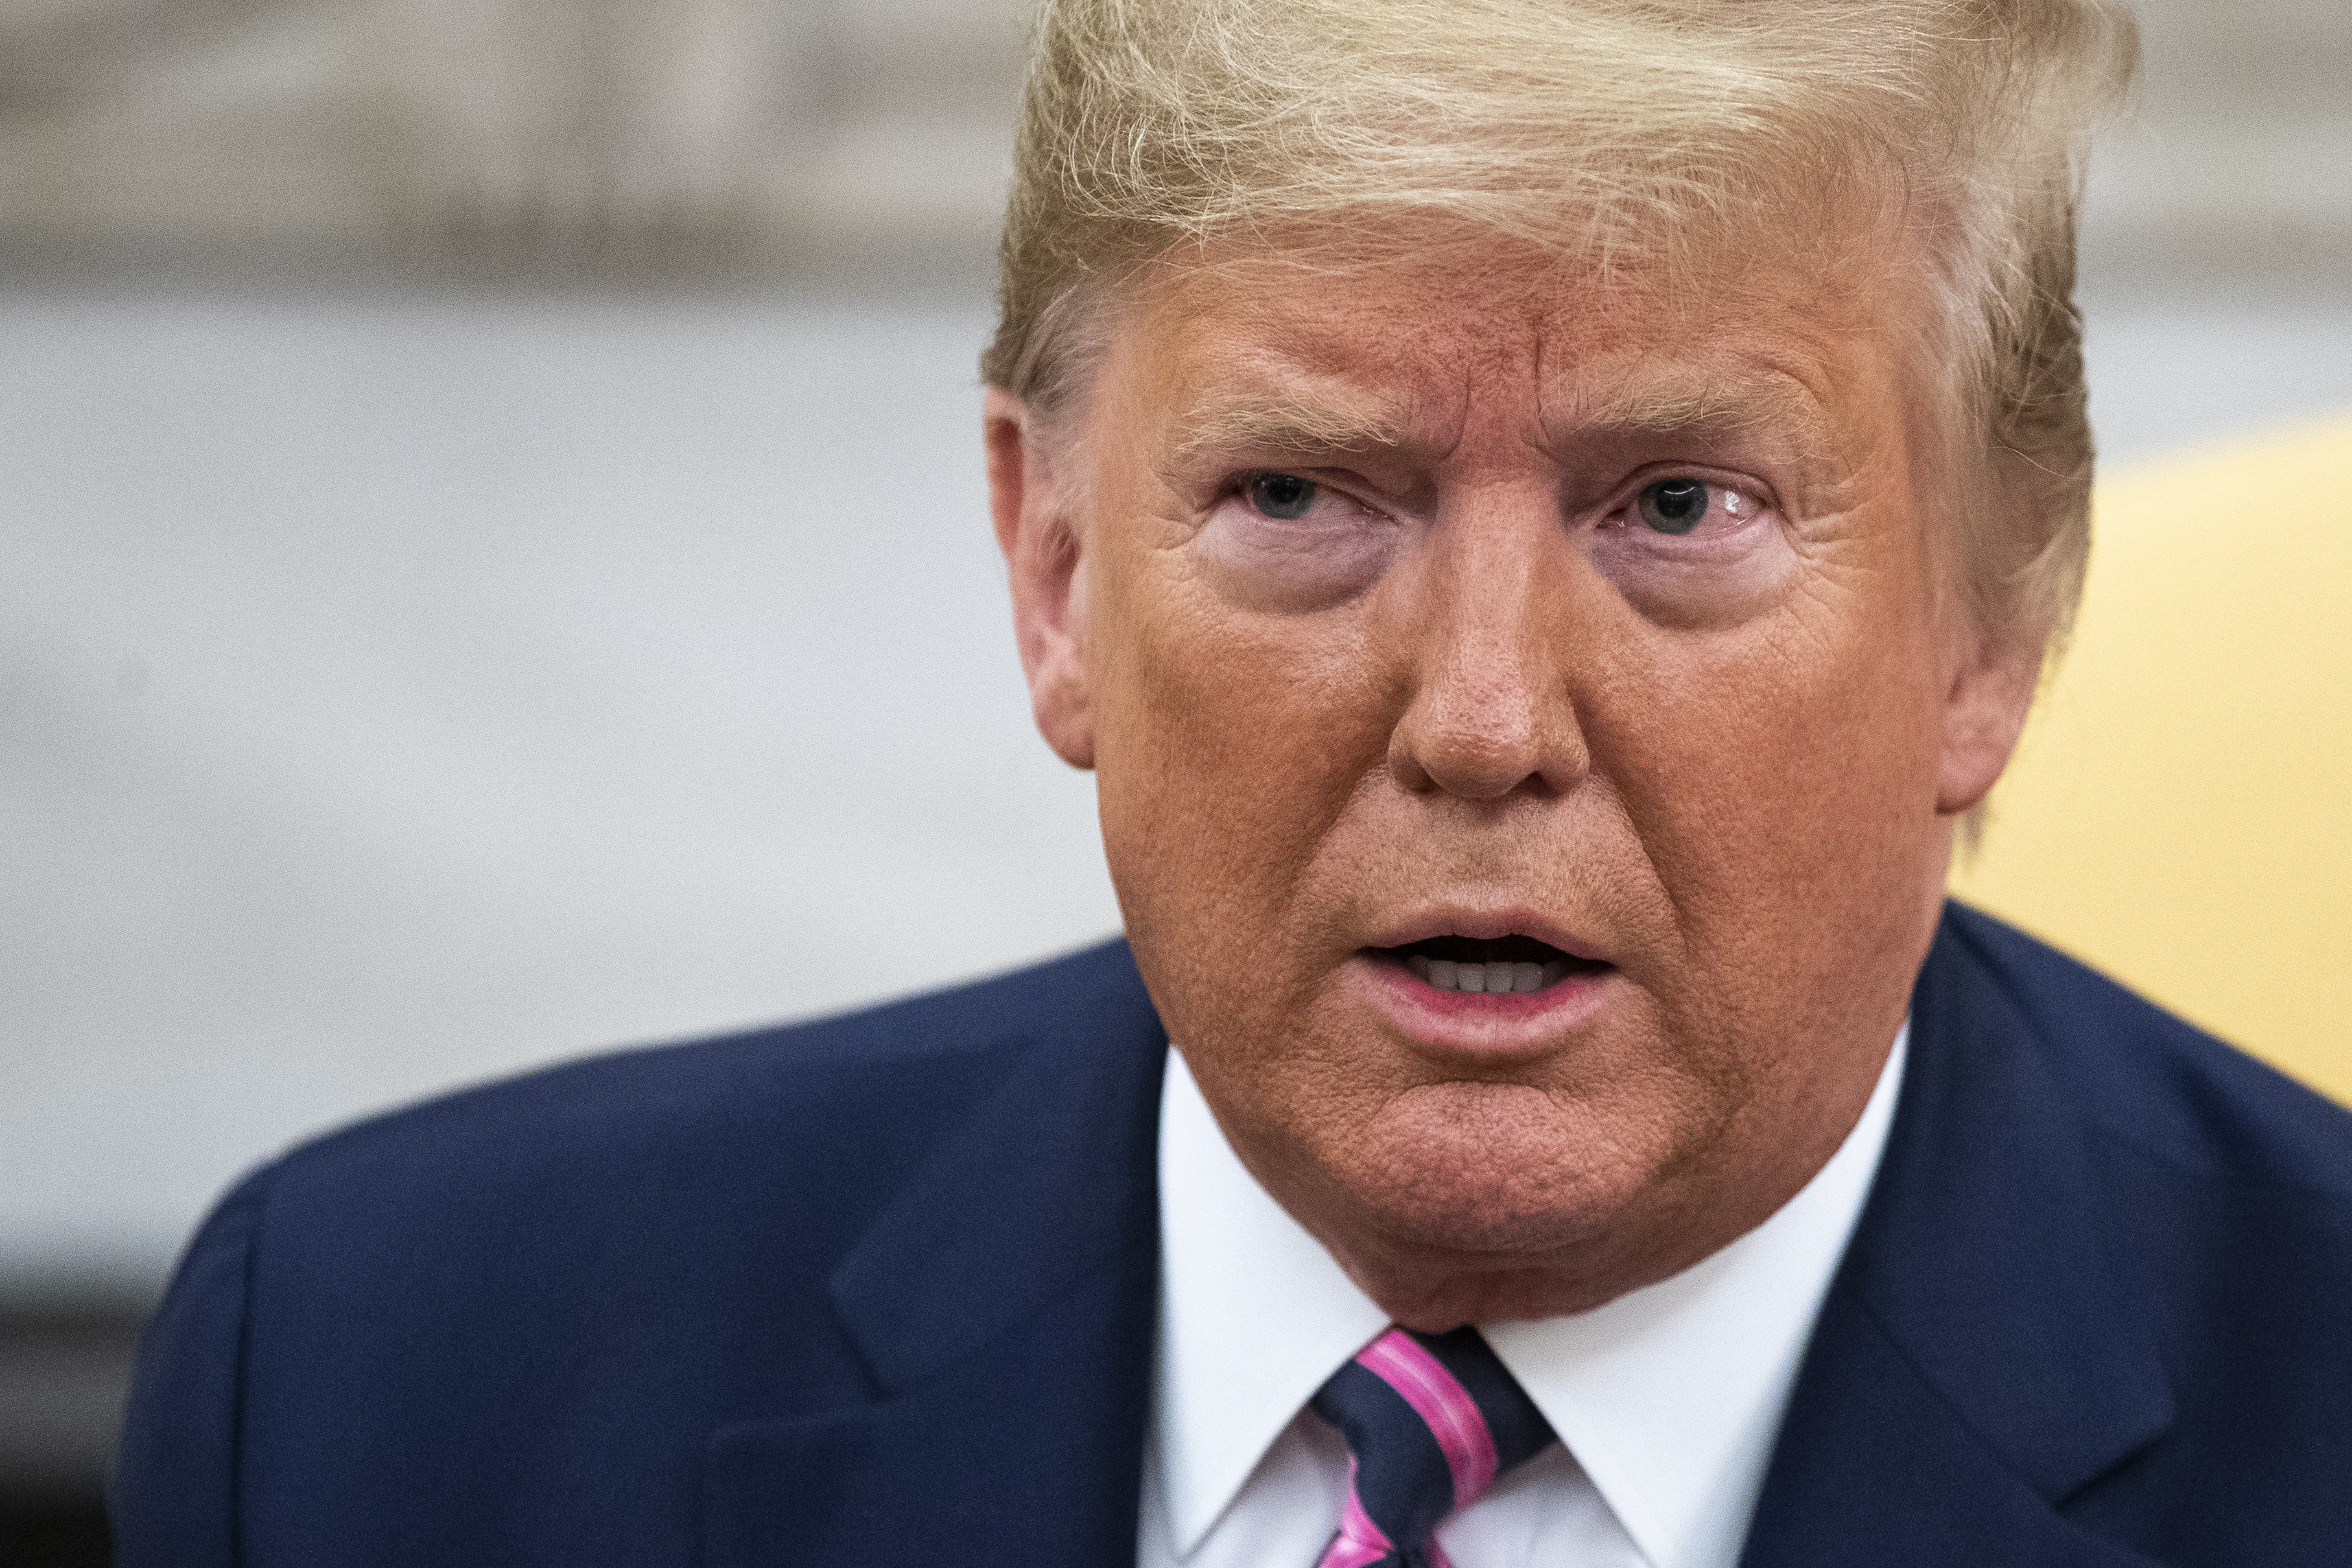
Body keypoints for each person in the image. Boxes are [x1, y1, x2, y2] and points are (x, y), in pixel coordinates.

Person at [114, 0, 2352, 1563]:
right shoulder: (387, 1383)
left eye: (1676, 506)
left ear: (1994, 625)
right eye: (1299, 494)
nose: (1482, 717)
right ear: (1054, 566)